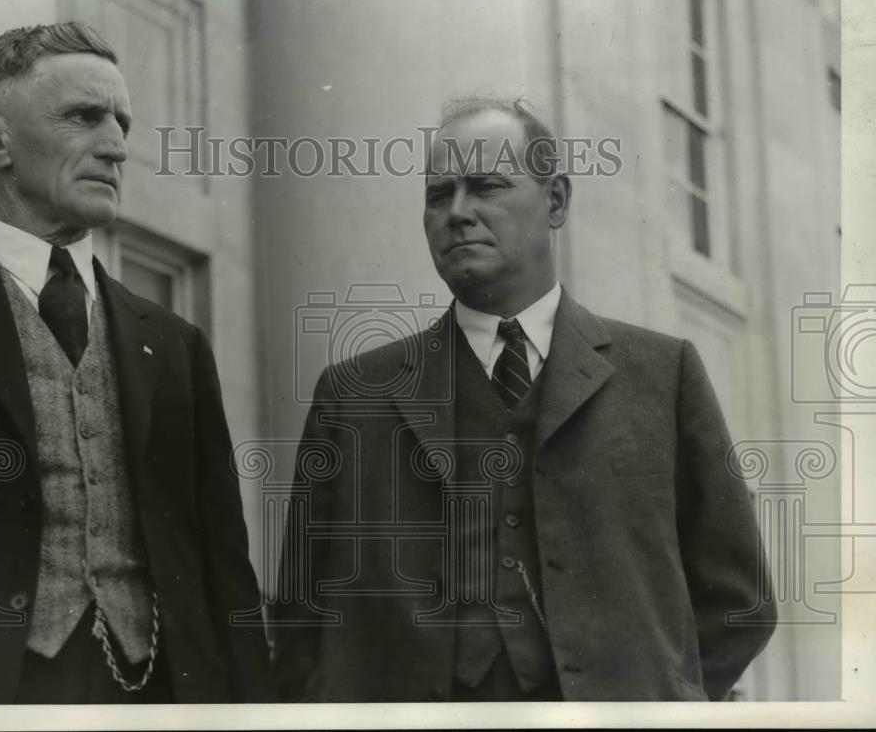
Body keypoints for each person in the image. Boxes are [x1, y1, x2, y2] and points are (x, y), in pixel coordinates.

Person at [273, 98, 776, 702]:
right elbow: (302, 619)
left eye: (486, 186)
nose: (458, 212)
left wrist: (659, 698)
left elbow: (739, 599)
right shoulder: (353, 394)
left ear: (556, 201)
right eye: (439, 194)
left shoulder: (662, 375)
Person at [0, 22, 272, 704]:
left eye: (121, 122)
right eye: (85, 117)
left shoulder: (174, 342)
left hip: (159, 689)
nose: (115, 146)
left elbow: (225, 567)